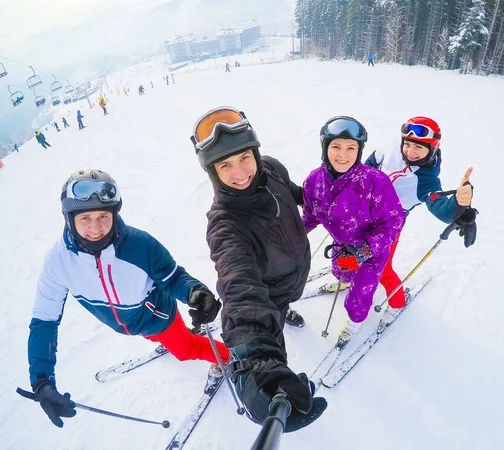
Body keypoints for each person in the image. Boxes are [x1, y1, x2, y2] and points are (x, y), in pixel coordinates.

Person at [27, 169, 229, 428]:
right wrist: (42, 380)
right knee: (158, 337)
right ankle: (170, 341)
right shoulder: (58, 262)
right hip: (132, 325)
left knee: (186, 349)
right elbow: (44, 320)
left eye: (103, 216)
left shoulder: (139, 244)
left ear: (114, 213)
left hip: (159, 318)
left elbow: (173, 277)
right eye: (85, 218)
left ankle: (227, 356)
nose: (96, 228)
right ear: (70, 218)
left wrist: (195, 293)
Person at [191, 106, 327, 432]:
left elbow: (294, 193)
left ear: (255, 152)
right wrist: (254, 360)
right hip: (268, 295)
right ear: (212, 171)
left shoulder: (271, 168)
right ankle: (268, 335)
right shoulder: (225, 225)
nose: (239, 173)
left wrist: (324, 202)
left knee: (287, 301)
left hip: (298, 272)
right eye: (225, 165)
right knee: (271, 320)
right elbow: (238, 285)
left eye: (244, 158)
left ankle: (287, 309)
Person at [302, 116, 404, 344]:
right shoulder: (314, 181)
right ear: (325, 147)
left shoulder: (375, 182)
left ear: (359, 151)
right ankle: (344, 281)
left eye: (351, 148)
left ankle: (356, 323)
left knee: (359, 297)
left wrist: (366, 249)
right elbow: (310, 214)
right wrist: (295, 233)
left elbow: (393, 222)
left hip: (371, 254)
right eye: (336, 146)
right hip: (342, 247)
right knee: (341, 273)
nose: (343, 154)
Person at [364, 116, 478, 321]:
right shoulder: (388, 151)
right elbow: (367, 168)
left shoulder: (426, 180)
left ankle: (397, 303)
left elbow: (440, 206)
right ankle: (348, 278)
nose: (410, 151)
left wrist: (459, 205)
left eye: (419, 147)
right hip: (362, 217)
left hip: (389, 227)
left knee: (381, 270)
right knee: (348, 254)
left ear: (432, 149)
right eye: (407, 144)